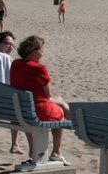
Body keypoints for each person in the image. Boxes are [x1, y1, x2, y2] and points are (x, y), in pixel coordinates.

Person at [9, 35, 71, 164]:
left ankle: (40, 150)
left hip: (21, 107)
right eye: (41, 49)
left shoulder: (16, 63)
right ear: (34, 51)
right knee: (60, 111)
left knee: (60, 102)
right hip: (37, 109)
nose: (43, 52)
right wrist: (59, 102)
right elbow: (47, 95)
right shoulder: (39, 68)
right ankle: (56, 152)